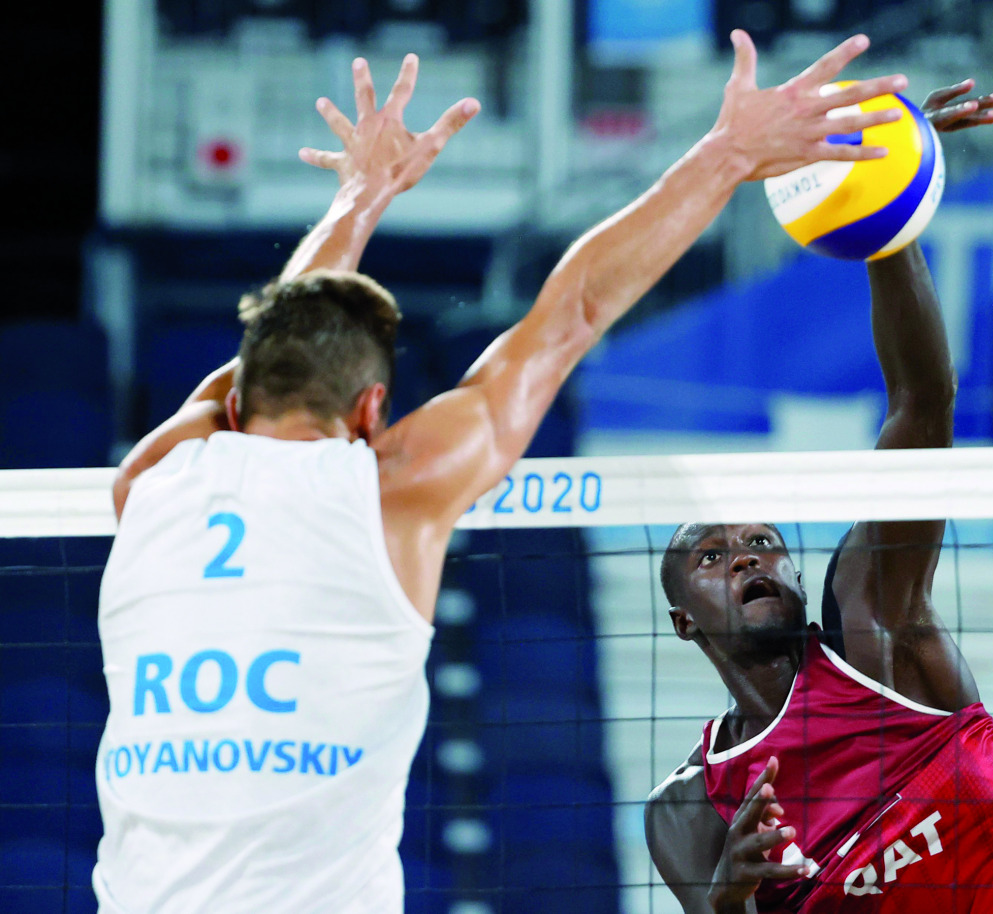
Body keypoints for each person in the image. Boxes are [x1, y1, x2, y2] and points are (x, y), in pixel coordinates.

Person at [93, 33, 909, 912]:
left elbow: (260, 362)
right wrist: (727, 154)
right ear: (372, 411)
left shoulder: (149, 486)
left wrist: (357, 198)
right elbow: (574, 313)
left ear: (238, 398)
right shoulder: (389, 495)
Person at [643, 89, 993, 912]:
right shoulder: (688, 806)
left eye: (761, 540)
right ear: (683, 619)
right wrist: (726, 895)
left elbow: (922, 402)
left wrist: (887, 212)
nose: (747, 555)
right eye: (712, 556)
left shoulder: (873, 621)